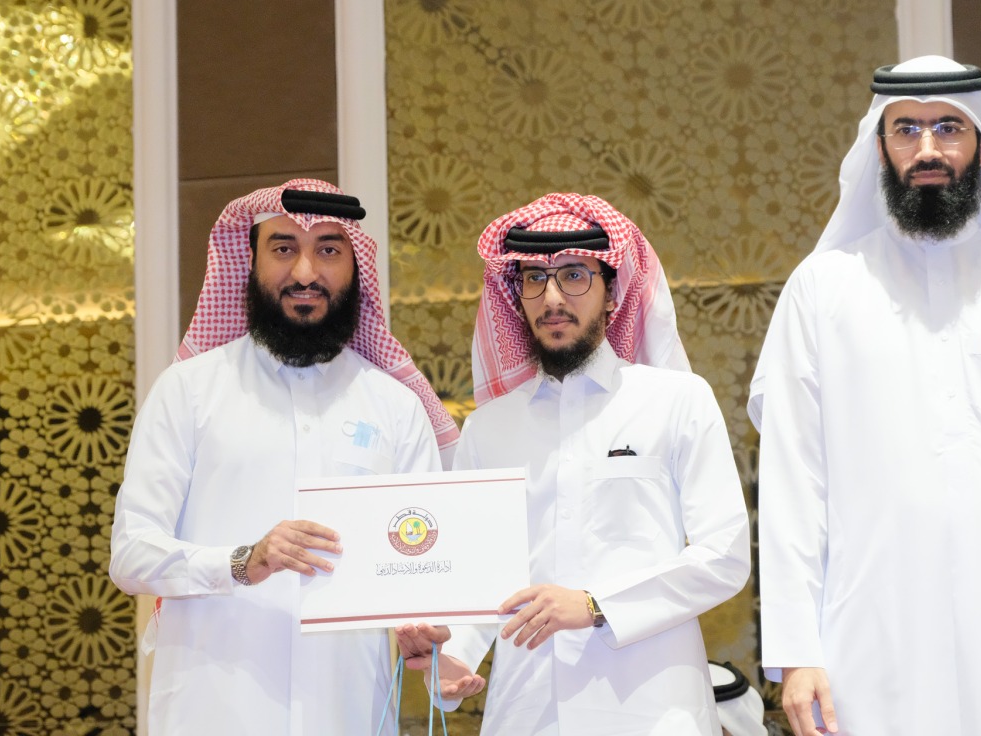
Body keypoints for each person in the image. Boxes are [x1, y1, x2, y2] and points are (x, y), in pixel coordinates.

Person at [750, 56, 981, 736]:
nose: (927, 148)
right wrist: (795, 653)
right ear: (879, 146)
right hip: (872, 629)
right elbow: (793, 481)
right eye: (906, 130)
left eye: (948, 128)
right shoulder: (823, 288)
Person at [109, 179, 458, 735]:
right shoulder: (188, 391)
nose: (304, 273)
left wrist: (431, 640)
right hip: (214, 710)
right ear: (249, 262)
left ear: (354, 268)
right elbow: (131, 554)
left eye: (327, 249)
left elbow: (422, 566)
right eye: (283, 249)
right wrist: (247, 562)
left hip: (348, 712)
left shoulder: (395, 407)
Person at [399, 193, 751, 735]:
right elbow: (476, 575)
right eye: (535, 278)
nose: (553, 296)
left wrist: (594, 604)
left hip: (654, 711)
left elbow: (724, 557)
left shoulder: (677, 400)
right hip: (527, 712)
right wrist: (454, 658)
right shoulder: (488, 429)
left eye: (574, 275)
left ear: (612, 291)